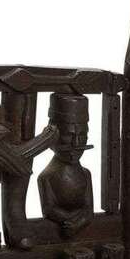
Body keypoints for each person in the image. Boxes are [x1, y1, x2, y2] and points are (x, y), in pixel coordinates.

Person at [38, 94, 94, 237]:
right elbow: (49, 210)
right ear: (52, 136)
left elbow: (88, 210)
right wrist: (73, 221)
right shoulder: (46, 177)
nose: (76, 144)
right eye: (68, 136)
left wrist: (78, 223)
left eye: (82, 135)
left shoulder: (85, 174)